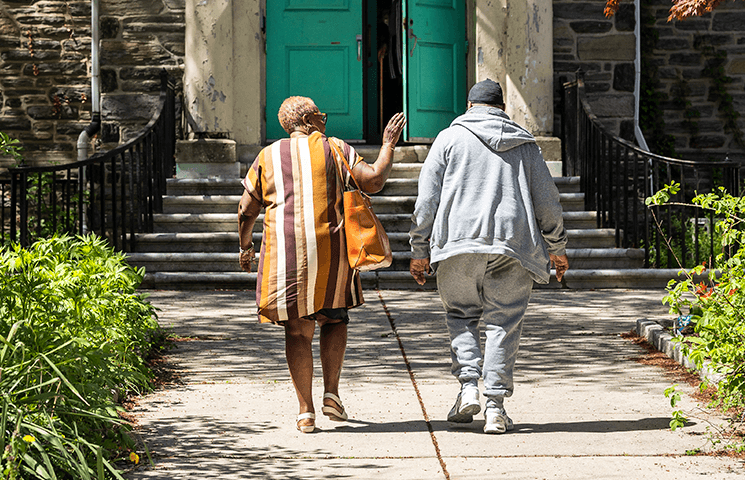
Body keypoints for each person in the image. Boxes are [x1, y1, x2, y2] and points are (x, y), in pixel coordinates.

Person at [408, 79, 569, 434]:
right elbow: (548, 202)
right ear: (502, 109)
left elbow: (426, 201)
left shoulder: (448, 139)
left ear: (469, 106)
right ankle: (495, 407)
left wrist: (420, 250)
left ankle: (468, 388)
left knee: (461, 315)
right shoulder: (525, 144)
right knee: (503, 322)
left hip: (457, 243)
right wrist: (556, 248)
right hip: (514, 244)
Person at [238, 96, 406, 433]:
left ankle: (305, 412)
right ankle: (332, 394)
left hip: (286, 256)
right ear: (311, 118)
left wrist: (246, 247)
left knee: (298, 330)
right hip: (332, 252)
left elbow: (246, 210)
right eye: (322, 115)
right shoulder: (337, 148)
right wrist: (388, 145)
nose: (325, 122)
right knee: (334, 318)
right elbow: (373, 181)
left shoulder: (267, 156)